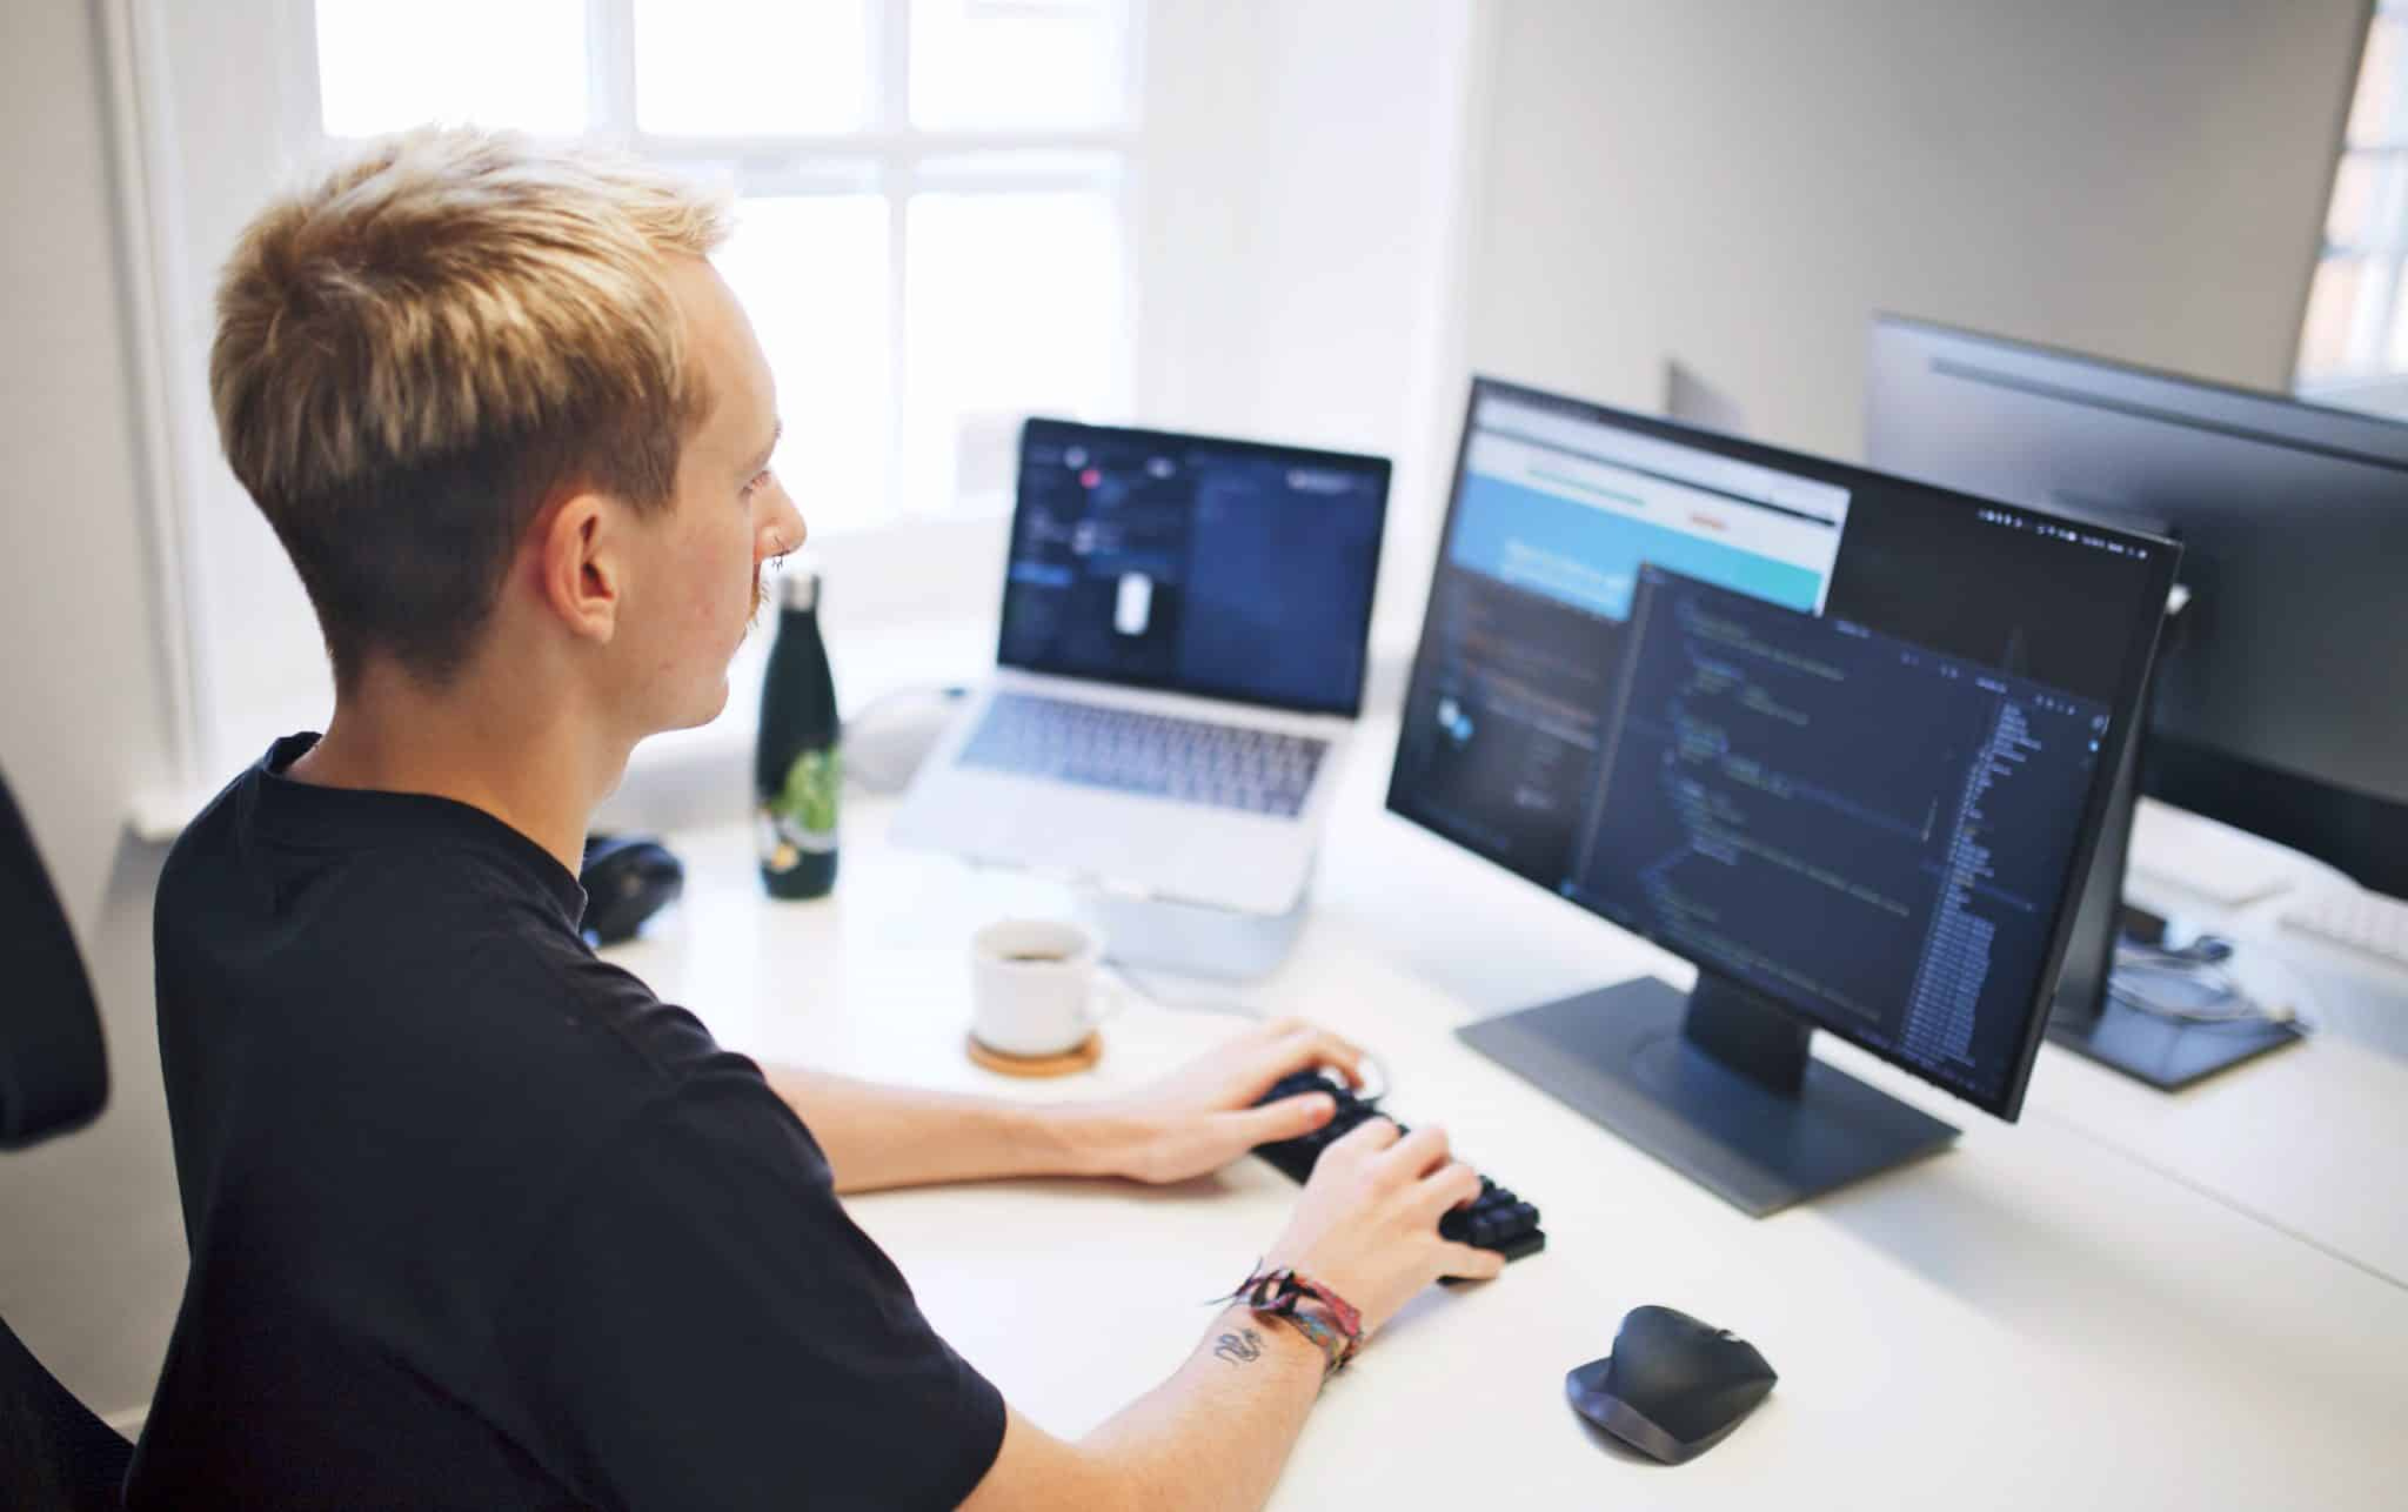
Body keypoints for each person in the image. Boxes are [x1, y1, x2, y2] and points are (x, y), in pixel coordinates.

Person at [129, 127, 1501, 1511]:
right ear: (589, 564)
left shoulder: (243, 871)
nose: (782, 524)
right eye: (745, 476)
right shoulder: (616, 1128)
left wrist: (1098, 1130)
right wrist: (1308, 1287)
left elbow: (625, 1123)